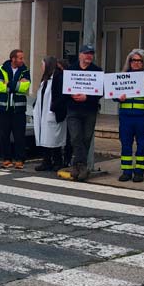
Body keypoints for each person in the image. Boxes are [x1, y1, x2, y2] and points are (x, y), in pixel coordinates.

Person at [54, 44, 103, 182]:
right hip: (73, 110)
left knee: (86, 138)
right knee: (75, 137)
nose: (89, 56)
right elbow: (64, 90)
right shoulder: (71, 70)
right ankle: (80, 166)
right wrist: (71, 96)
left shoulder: (97, 71)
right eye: (86, 53)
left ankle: (79, 165)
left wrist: (87, 97)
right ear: (80, 55)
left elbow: (100, 92)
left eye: (91, 53)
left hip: (90, 110)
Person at [116, 49, 144, 183]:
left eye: (139, 61)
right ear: (129, 62)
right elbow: (113, 95)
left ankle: (139, 172)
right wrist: (118, 97)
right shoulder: (122, 76)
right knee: (126, 145)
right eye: (133, 60)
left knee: (142, 145)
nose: (136, 63)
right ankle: (126, 171)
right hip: (126, 117)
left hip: (142, 116)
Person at [0, 49, 31, 169]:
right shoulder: (1, 69)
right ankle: (6, 159)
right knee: (4, 135)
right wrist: (16, 84)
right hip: (3, 109)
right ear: (13, 59)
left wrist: (9, 83)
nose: (22, 60)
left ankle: (20, 159)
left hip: (18, 109)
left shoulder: (25, 70)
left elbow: (25, 86)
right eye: (20, 58)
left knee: (19, 136)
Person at [33, 56, 66, 172]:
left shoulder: (58, 77)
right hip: (43, 113)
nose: (41, 68)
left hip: (53, 114)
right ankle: (46, 161)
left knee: (54, 140)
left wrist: (53, 107)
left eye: (43, 65)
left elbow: (61, 96)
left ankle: (58, 162)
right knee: (45, 138)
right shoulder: (45, 79)